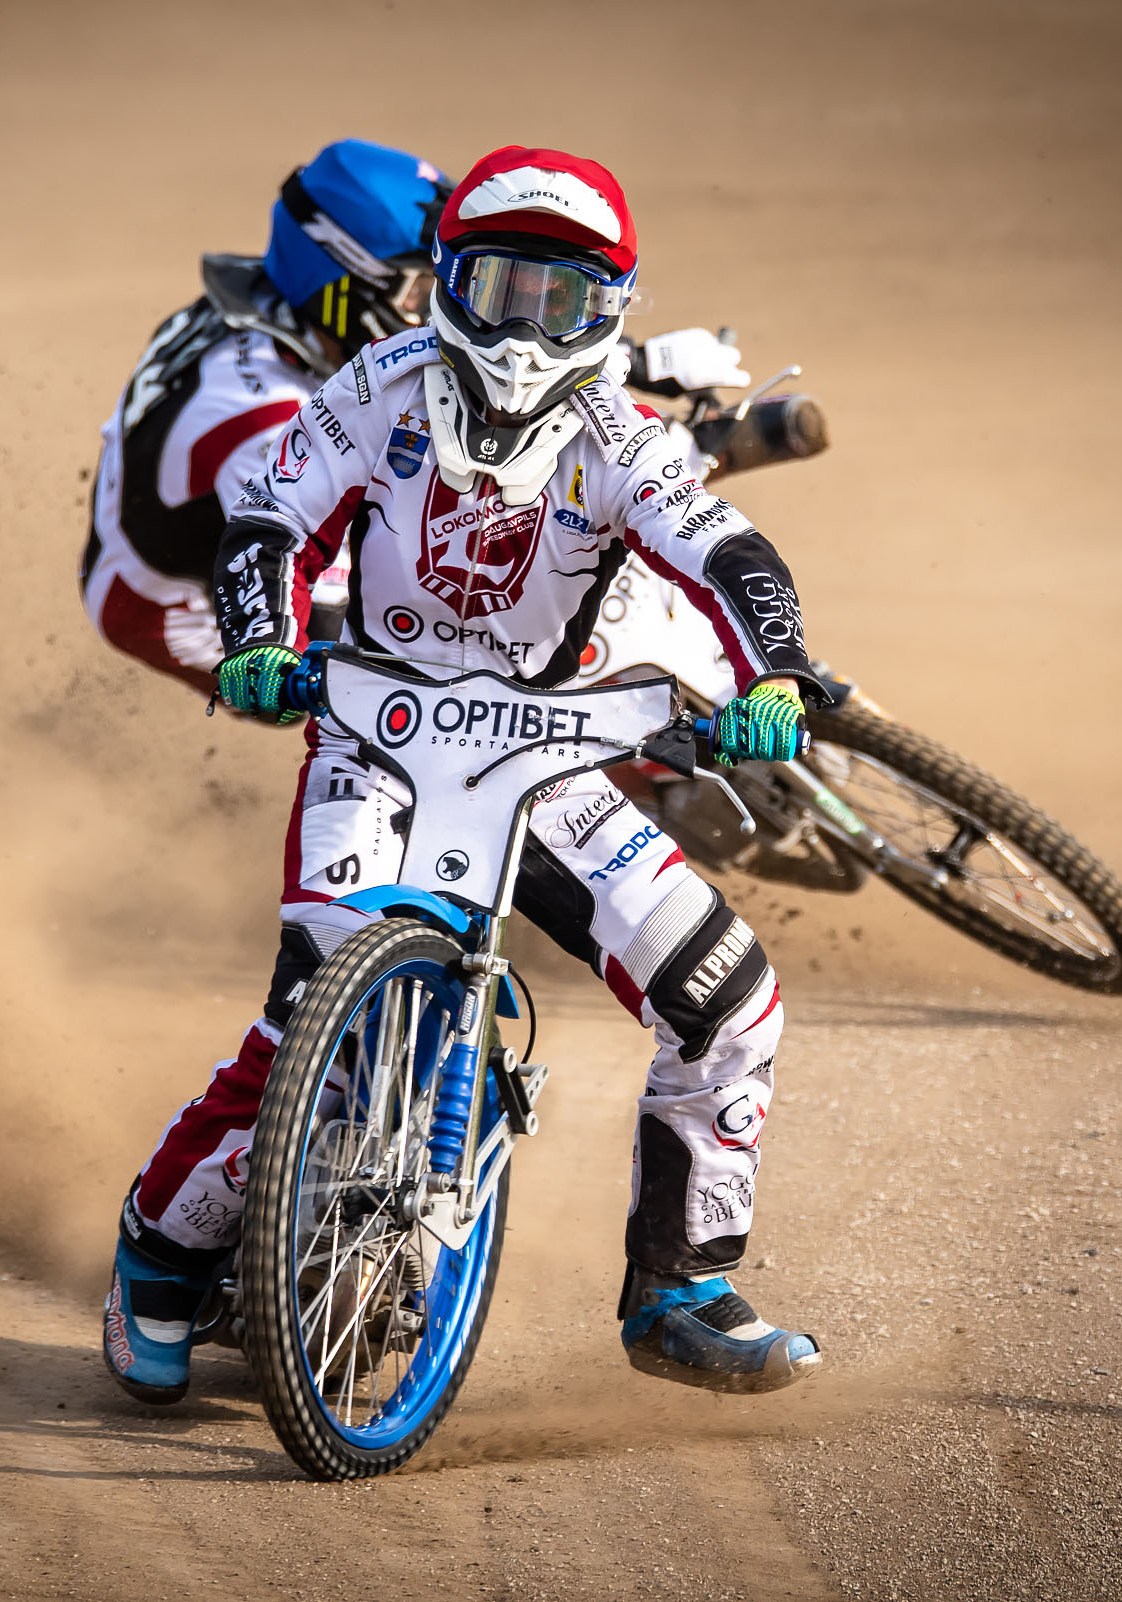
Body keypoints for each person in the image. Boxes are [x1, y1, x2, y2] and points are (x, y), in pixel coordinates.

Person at [102, 147, 830, 1403]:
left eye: (560, 299)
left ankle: (681, 1289)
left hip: (542, 763)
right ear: (445, 280)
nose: (521, 327)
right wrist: (262, 642)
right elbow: (266, 522)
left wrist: (780, 674)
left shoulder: (624, 436)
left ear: (610, 309)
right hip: (377, 742)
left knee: (731, 1000)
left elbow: (732, 554)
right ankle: (157, 1259)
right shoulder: (374, 390)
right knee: (305, 1028)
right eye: (497, 286)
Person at [81, 140, 763, 697]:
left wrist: (637, 361)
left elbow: (487, 343)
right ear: (342, 283)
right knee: (436, 692)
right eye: (419, 287)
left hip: (185, 503)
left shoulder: (283, 301)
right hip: (177, 604)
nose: (440, 302)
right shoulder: (264, 416)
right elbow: (318, 579)